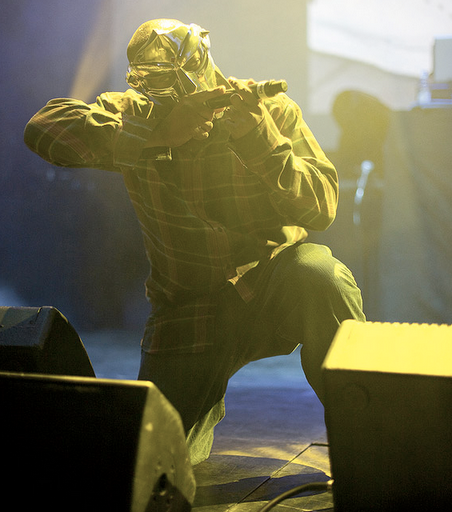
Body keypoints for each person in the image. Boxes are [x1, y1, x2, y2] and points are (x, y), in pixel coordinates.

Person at [24, 18, 365, 464]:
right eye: (152, 88)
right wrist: (159, 133)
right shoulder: (138, 112)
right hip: (188, 310)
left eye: (169, 86)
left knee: (319, 274)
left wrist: (260, 140)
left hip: (274, 288)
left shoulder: (271, 112)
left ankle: (375, 441)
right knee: (150, 460)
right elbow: (44, 128)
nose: (161, 99)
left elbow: (321, 208)